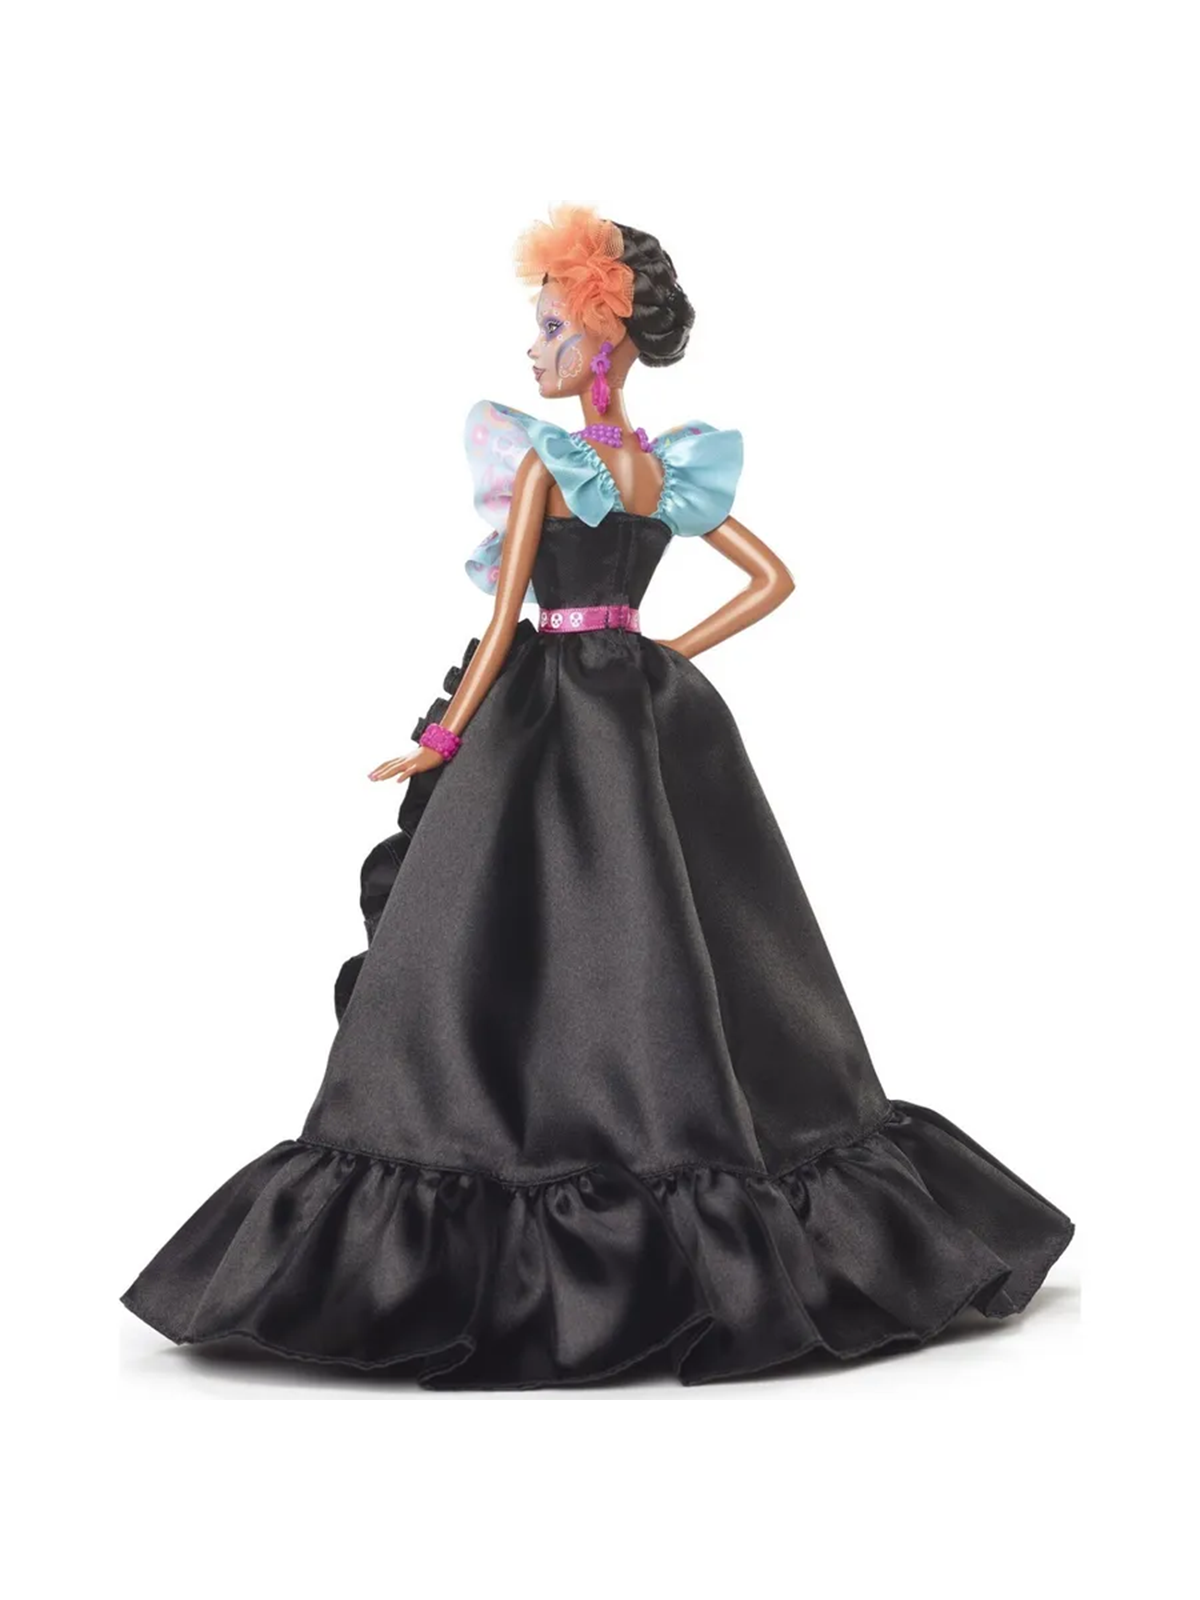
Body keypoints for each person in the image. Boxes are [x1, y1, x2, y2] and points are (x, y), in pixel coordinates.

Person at [120, 204, 1074, 1388]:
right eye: (538, 329)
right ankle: (680, 1137)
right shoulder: (658, 471)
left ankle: (508, 1124)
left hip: (544, 712)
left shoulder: (550, 463)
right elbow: (772, 580)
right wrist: (663, 657)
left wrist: (442, 735)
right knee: (670, 928)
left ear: (604, 340)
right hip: (648, 718)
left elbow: (500, 622)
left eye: (553, 329)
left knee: (509, 929)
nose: (534, 350)